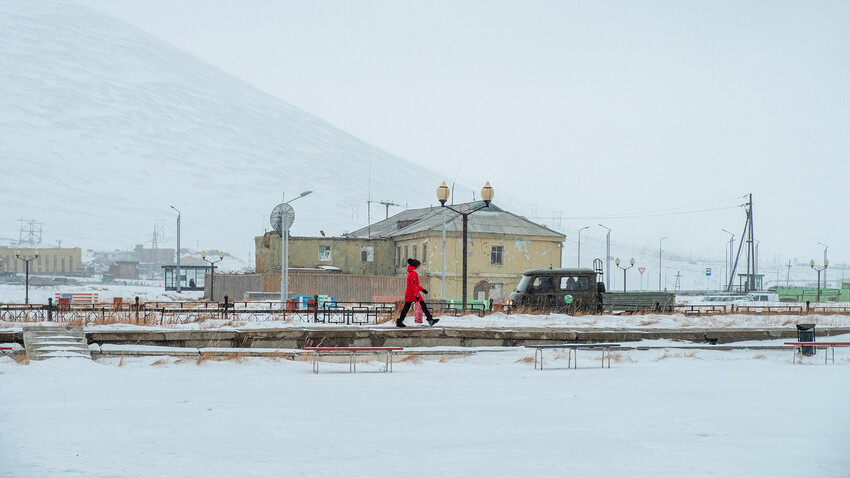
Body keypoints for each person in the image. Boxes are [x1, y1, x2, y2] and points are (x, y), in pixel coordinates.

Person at [396, 258, 438, 327]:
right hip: (413, 294)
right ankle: (430, 319)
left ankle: (400, 321)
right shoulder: (413, 274)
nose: (420, 266)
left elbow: (416, 285)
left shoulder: (411, 273)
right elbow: (413, 286)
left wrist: (422, 289)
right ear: (416, 266)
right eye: (419, 265)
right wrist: (416, 295)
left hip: (410, 293)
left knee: (407, 308)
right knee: (423, 306)